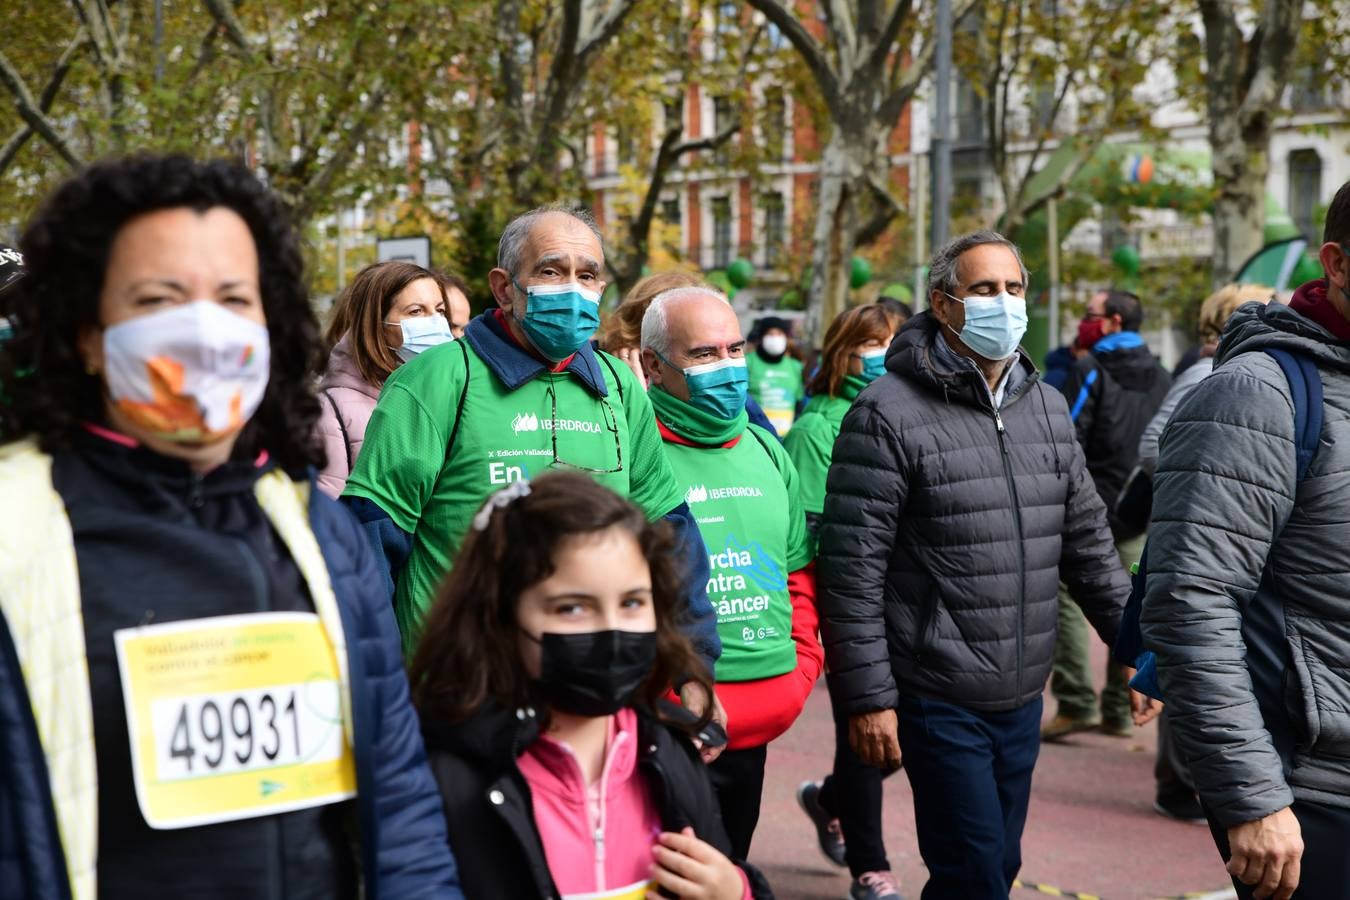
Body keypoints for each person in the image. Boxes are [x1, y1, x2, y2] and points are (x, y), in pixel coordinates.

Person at [0, 154, 461, 899]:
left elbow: (399, 800)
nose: (204, 329)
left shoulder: (315, 527)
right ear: (86, 332)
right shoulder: (13, 534)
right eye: (160, 298)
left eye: (233, 298)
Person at [817, 231, 1150, 899]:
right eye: (984, 289)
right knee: (972, 874)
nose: (1005, 303)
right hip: (938, 692)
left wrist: (1141, 651)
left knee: (996, 867)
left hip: (1023, 693)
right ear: (943, 306)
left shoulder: (1048, 408)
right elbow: (851, 572)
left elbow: (1087, 544)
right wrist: (868, 698)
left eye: (1014, 288)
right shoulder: (886, 413)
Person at [340, 205, 721, 684]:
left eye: (587, 275)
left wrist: (692, 665)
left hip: (590, 695)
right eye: (550, 271)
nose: (572, 289)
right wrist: (382, 691)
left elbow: (671, 533)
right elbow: (368, 546)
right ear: (504, 287)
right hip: (461, 699)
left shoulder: (621, 388)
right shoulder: (436, 380)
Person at [413, 472, 769, 900]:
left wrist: (737, 892)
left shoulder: (672, 753)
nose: (613, 629)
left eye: (633, 602)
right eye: (573, 607)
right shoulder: (441, 775)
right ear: (501, 615)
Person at [1141, 181, 1350, 900]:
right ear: (1337, 263)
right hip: (1316, 791)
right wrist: (1251, 797)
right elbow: (1189, 600)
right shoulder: (1256, 393)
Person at [640, 285, 822, 859]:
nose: (726, 368)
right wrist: (669, 697)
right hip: (668, 728)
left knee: (730, 870)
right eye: (703, 355)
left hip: (760, 720)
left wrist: (800, 672)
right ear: (653, 366)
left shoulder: (768, 450)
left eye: (733, 350)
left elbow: (798, 575)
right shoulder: (631, 454)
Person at [786, 303, 902, 897]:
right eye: (869, 344)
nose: (881, 355)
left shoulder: (909, 415)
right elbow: (810, 529)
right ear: (841, 352)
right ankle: (870, 866)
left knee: (896, 742)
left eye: (891, 343)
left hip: (906, 604)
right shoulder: (817, 428)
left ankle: (827, 799)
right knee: (863, 734)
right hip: (852, 605)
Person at [1044, 289, 1170, 741]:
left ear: (1114, 321)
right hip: (1139, 508)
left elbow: (1065, 438)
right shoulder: (1162, 376)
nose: (1084, 322)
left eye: (1089, 315)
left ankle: (1077, 702)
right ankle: (1120, 709)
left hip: (1087, 508)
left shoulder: (1089, 369)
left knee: (1067, 598)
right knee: (1130, 604)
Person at [316, 261, 460, 498]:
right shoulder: (331, 410)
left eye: (440, 310)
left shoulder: (449, 396)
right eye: (416, 311)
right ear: (377, 325)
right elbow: (329, 513)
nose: (435, 322)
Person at [598, 270, 778, 436]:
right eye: (704, 353)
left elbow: (767, 444)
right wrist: (636, 405)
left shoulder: (728, 389)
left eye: (734, 349)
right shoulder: (604, 380)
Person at [746, 315, 804, 435]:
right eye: (770, 334)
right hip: (756, 436)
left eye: (779, 334)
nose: (775, 338)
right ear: (761, 337)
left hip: (787, 438)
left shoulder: (795, 366)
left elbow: (799, 402)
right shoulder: (747, 362)